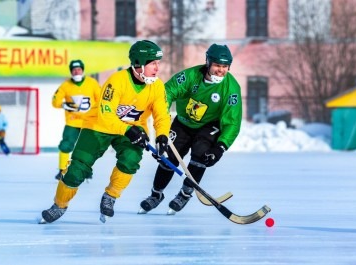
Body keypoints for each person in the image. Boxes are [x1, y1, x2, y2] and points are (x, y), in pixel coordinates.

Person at [40, 40, 171, 224]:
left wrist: (162, 136)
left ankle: (110, 196)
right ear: (138, 64)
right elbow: (106, 113)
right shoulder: (117, 81)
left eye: (158, 63)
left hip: (132, 129)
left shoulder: (157, 87)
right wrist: (128, 129)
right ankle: (59, 205)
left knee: (131, 160)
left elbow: (162, 116)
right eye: (153, 63)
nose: (157, 68)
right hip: (98, 126)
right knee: (77, 170)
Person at [139, 43, 242, 215]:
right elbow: (167, 93)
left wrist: (220, 147)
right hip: (183, 122)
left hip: (210, 125)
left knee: (201, 155)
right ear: (208, 62)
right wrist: (162, 118)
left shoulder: (231, 89)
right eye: (217, 65)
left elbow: (232, 122)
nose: (221, 70)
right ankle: (156, 195)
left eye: (225, 67)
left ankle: (185, 194)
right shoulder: (190, 76)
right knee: (169, 159)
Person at [52, 59, 101, 180]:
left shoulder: (92, 83)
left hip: (89, 122)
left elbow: (101, 99)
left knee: (88, 147)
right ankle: (62, 169)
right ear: (71, 72)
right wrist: (63, 104)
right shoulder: (65, 85)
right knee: (66, 145)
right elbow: (55, 101)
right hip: (72, 121)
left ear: (83, 70)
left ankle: (87, 169)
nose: (76, 72)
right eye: (74, 70)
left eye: (79, 69)